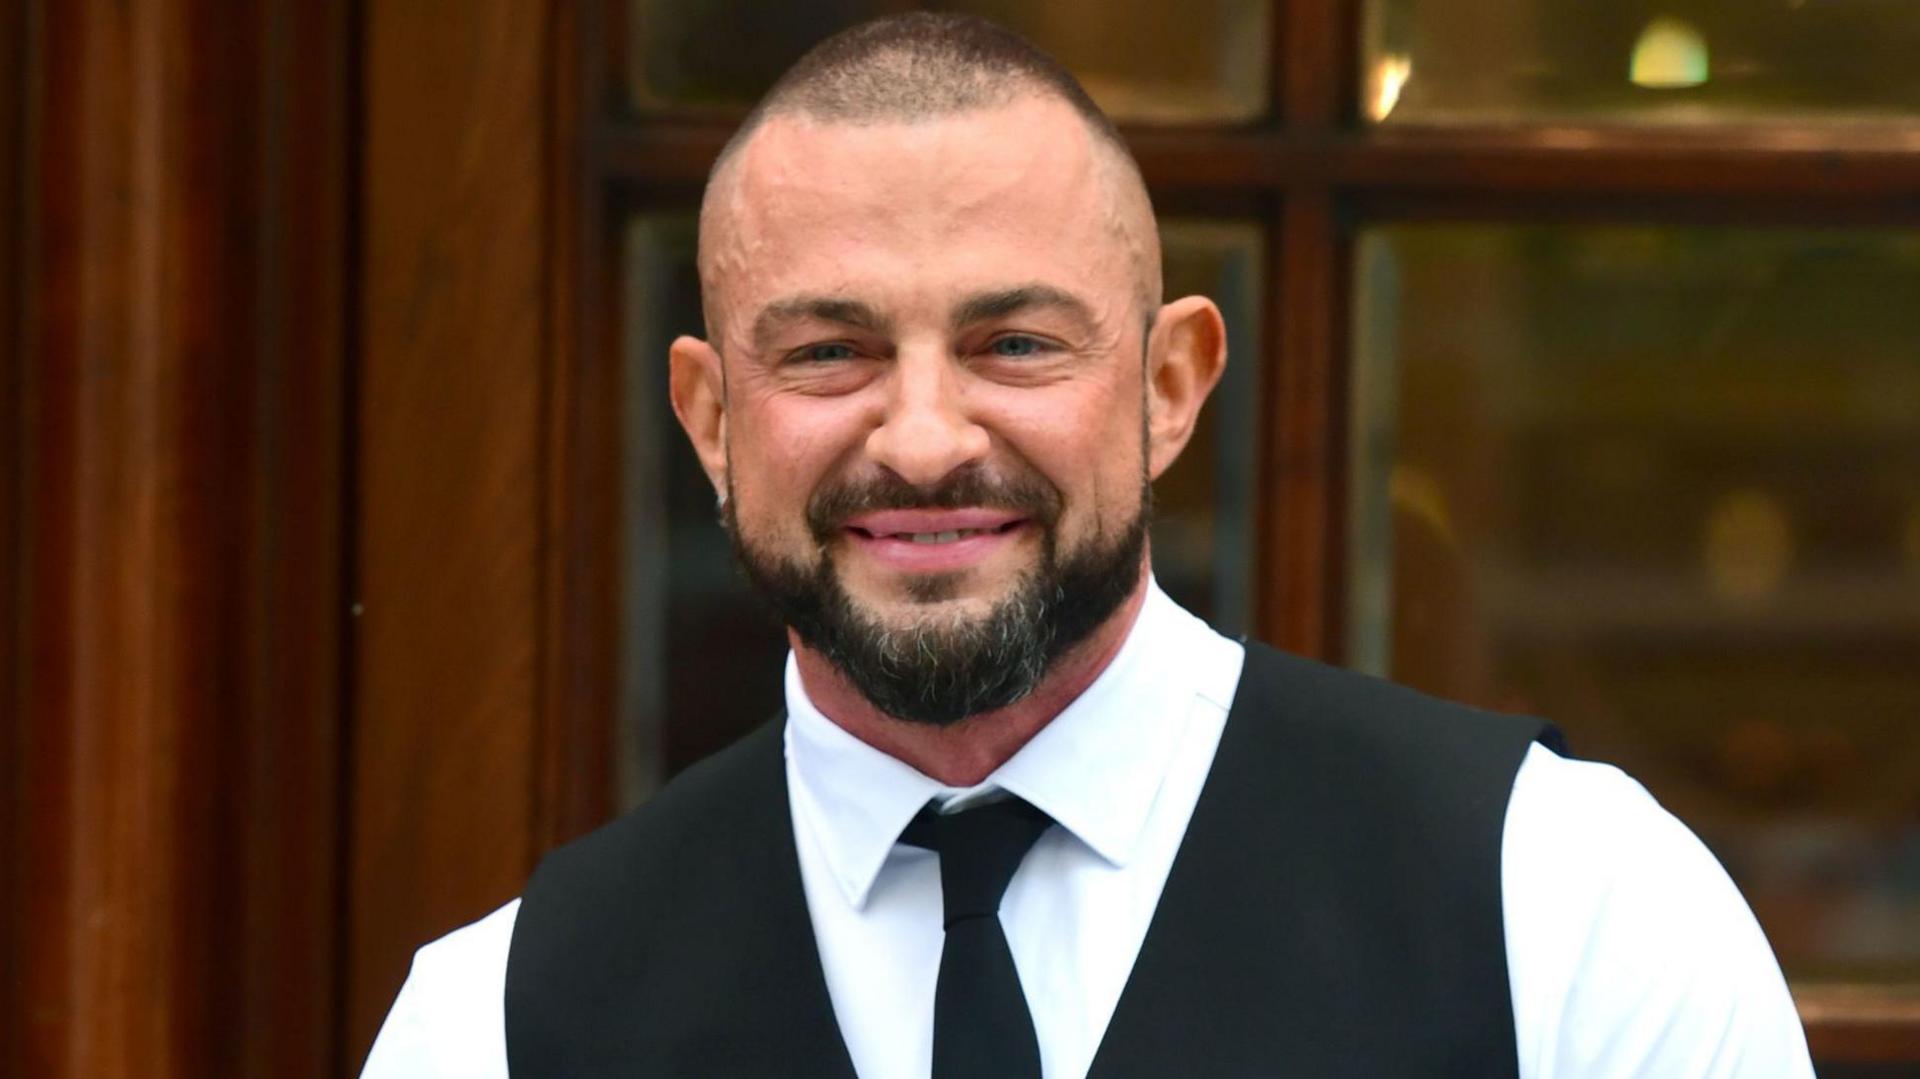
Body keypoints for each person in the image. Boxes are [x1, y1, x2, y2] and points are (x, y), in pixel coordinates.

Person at [363, 14, 1813, 1078]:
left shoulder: (1563, 909)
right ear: (710, 414)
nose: (924, 436)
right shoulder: (495, 1025)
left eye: (1014, 342)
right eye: (829, 350)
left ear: (1171, 384)